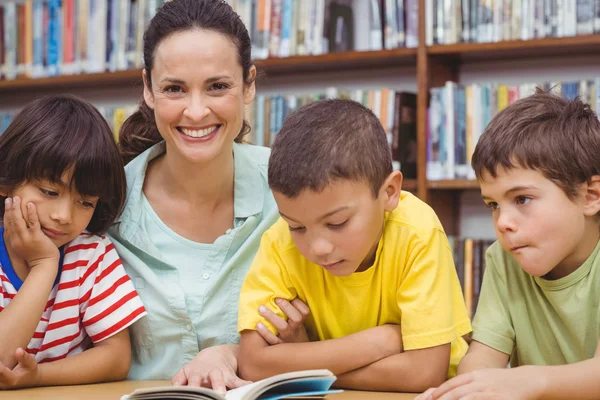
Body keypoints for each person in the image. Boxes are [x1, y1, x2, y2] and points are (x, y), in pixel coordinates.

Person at [237, 99, 472, 393]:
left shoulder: (417, 233)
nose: (317, 247)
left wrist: (302, 366)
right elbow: (253, 363)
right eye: (297, 227)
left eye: (337, 223)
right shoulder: (279, 240)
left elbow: (425, 373)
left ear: (389, 192)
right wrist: (378, 343)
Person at [109, 0, 282, 393]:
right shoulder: (102, 204)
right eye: (174, 89)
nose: (197, 110)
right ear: (148, 90)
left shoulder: (293, 192)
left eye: (218, 86)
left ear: (250, 84)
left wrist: (233, 353)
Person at [416, 89, 600, 400]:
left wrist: (527, 382)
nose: (502, 222)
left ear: (590, 196)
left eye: (522, 199)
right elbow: (483, 358)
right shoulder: (503, 259)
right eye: (493, 205)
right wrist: (461, 391)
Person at [0, 95, 147, 389]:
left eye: (85, 202)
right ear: (7, 181)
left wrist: (38, 376)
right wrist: (44, 266)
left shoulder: (92, 253)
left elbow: (117, 357)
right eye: (49, 192)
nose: (64, 216)